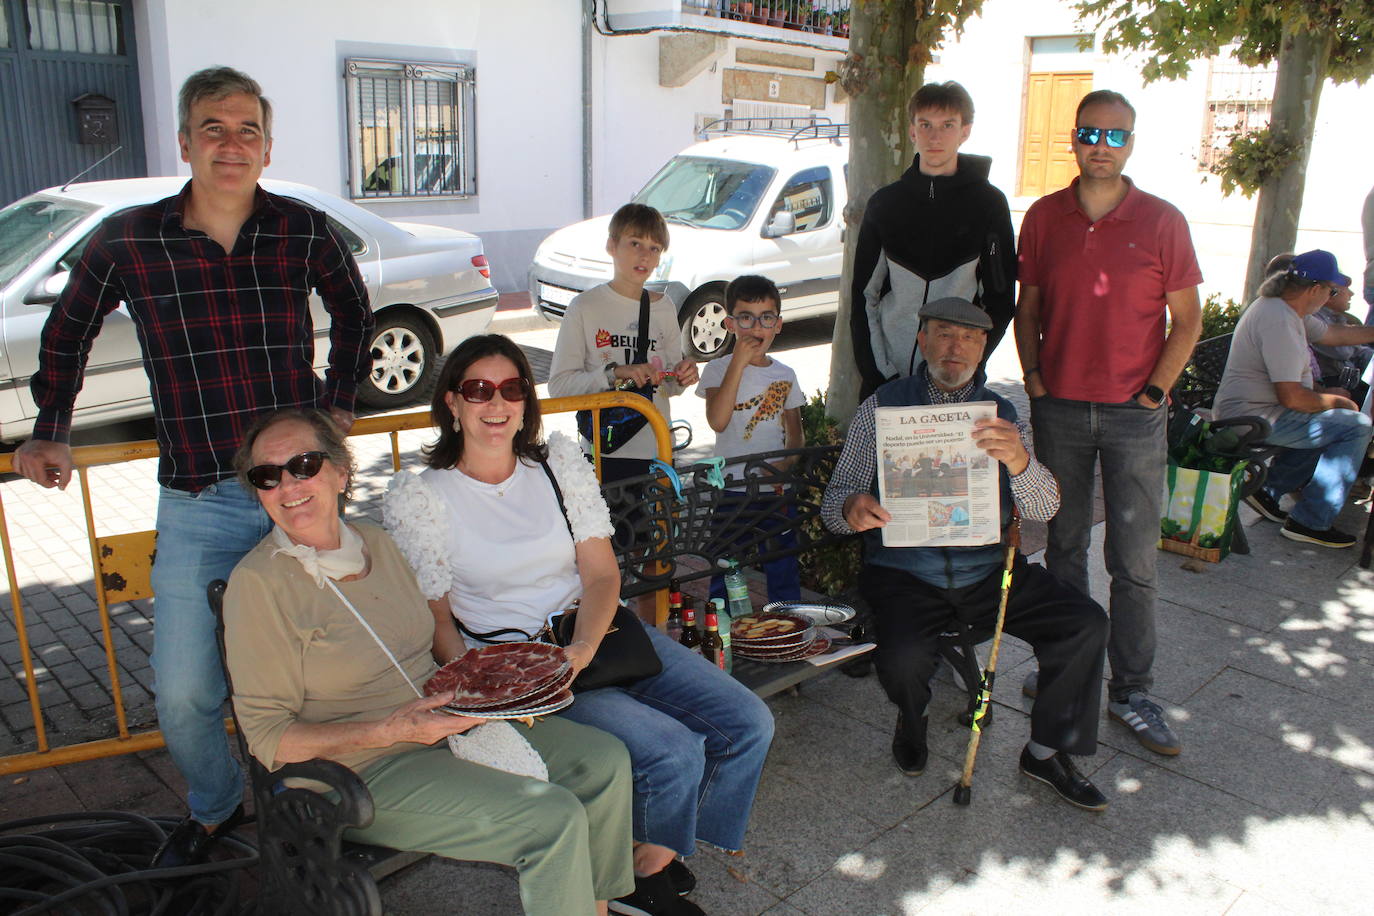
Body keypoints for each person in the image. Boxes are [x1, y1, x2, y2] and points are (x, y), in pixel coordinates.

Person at [10, 67, 373, 866]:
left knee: (330, 667)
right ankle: (215, 811)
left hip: (304, 492)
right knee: (184, 692)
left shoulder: (302, 230)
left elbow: (354, 308)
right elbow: (68, 329)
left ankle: (334, 809)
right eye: (213, 127)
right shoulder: (129, 239)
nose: (231, 143)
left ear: (268, 147)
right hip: (199, 497)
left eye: (247, 129)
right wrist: (51, 428)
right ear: (184, 141)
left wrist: (338, 402)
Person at [384, 335, 773, 916]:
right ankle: (634, 878)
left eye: (511, 388)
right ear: (453, 403)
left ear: (525, 400)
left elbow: (599, 576)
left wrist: (585, 646)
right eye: (478, 389)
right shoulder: (423, 497)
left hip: (598, 636)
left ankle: (651, 857)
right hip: (519, 670)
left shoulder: (557, 466)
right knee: (672, 751)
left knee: (749, 722)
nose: (497, 403)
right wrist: (493, 693)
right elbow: (438, 623)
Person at [223, 409, 633, 916]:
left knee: (605, 762)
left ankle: (593, 906)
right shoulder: (258, 583)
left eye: (304, 464)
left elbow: (426, 643)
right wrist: (387, 730)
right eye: (268, 475)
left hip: (442, 727)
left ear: (339, 472)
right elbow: (268, 738)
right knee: (551, 817)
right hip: (358, 768)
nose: (288, 485)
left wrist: (493, 693)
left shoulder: (374, 541)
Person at [822, 298, 1110, 810]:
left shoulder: (1001, 414)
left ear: (983, 349)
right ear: (922, 340)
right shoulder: (882, 407)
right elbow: (834, 500)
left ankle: (1045, 752)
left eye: (969, 338)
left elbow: (1044, 507)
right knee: (905, 658)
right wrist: (852, 506)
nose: (955, 348)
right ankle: (913, 719)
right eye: (944, 334)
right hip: (905, 574)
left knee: (1083, 622)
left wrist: (1020, 461)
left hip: (989, 570)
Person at [1014, 89, 1201, 758]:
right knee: (1062, 548)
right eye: (1091, 132)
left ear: (1131, 143)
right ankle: (1066, 667)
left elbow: (1189, 323)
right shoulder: (1041, 217)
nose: (1101, 144)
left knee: (1134, 560)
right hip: (1059, 407)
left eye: (1115, 136)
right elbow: (1027, 308)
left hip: (1133, 415)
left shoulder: (1162, 221)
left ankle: (1133, 691)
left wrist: (1154, 391)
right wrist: (1034, 381)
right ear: (1073, 137)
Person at [850, 80, 1016, 399]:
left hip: (957, 384)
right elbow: (863, 296)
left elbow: (1000, 298)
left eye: (947, 125)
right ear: (912, 130)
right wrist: (880, 375)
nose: (935, 136)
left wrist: (968, 368)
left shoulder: (989, 204)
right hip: (887, 382)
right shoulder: (885, 203)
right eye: (925, 125)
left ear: (965, 131)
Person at [1216, 251, 1374, 547]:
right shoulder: (1279, 319)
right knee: (1355, 425)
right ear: (1315, 289)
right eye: (1332, 290)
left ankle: (1270, 490)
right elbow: (1292, 398)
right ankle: (1310, 521)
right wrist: (1338, 402)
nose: (1331, 296)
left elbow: (1333, 334)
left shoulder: (1287, 308)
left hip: (1262, 412)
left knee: (1332, 419)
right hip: (1250, 420)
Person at [548, 202, 700, 499]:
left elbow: (669, 384)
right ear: (611, 246)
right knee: (612, 543)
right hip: (606, 453)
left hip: (658, 449)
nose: (645, 255)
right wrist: (614, 374)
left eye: (655, 248)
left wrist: (682, 375)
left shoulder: (664, 306)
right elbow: (560, 387)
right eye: (635, 243)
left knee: (655, 543)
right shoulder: (585, 307)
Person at [697, 274, 805, 603]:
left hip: (774, 490)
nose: (756, 327)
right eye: (746, 317)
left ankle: (788, 619)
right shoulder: (717, 370)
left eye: (765, 318)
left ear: (778, 325)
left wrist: (785, 465)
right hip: (731, 489)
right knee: (726, 562)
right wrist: (739, 364)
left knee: (782, 562)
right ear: (730, 324)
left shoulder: (784, 375)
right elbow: (717, 420)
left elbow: (796, 433)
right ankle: (725, 626)